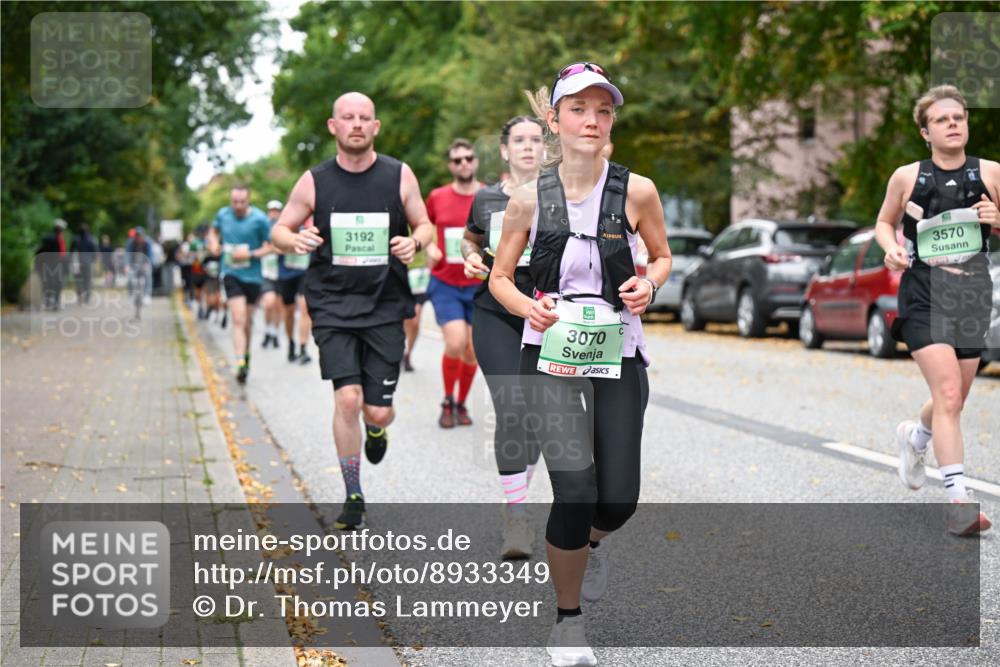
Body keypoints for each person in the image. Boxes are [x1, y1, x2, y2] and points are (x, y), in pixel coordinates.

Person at [489, 63, 671, 666]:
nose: (591, 120)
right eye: (577, 109)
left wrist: (649, 284)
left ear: (611, 121)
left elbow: (662, 258)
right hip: (549, 354)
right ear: (554, 120)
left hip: (618, 348)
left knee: (618, 499)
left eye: (602, 110)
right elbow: (500, 278)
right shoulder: (525, 199)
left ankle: (591, 543)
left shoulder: (637, 191)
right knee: (574, 487)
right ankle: (568, 623)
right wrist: (526, 309)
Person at [270, 92, 436, 530]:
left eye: (365, 118)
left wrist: (414, 242)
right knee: (347, 398)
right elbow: (280, 229)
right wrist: (294, 240)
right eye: (348, 117)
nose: (357, 124)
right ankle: (353, 494)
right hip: (332, 305)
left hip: (385, 305)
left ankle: (378, 428)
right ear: (333, 126)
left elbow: (424, 223)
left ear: (376, 127)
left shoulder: (399, 175)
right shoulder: (314, 181)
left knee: (375, 410)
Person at [875, 85, 998, 535]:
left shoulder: (992, 174)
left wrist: (996, 221)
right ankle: (958, 502)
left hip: (972, 294)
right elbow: (885, 223)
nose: (953, 123)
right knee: (948, 395)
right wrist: (891, 249)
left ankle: (916, 437)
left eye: (959, 117)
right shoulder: (907, 177)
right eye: (943, 119)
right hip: (924, 293)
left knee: (956, 398)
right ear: (926, 131)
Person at [462, 115, 546, 558]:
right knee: (511, 406)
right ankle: (517, 518)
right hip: (496, 310)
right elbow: (469, 239)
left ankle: (517, 498)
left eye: (536, 140)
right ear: (505, 150)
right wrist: (472, 257)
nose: (529, 147)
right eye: (520, 140)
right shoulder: (487, 198)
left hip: (547, 314)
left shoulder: (564, 197)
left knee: (535, 413)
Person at [426, 138, 483, 427]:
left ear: (475, 161)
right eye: (457, 159)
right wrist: (429, 249)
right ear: (451, 165)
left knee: (473, 349)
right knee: (456, 341)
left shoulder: (489, 195)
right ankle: (447, 400)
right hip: (446, 282)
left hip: (479, 284)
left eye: (468, 158)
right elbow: (424, 228)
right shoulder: (437, 196)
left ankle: (461, 403)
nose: (464, 163)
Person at [207, 186, 274, 385]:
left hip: (253, 277)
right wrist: (213, 243)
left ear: (248, 201)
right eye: (234, 201)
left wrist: (250, 254)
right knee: (238, 318)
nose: (237, 206)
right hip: (231, 273)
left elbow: (271, 246)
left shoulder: (260, 219)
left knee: (247, 322)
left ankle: (246, 354)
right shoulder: (223, 214)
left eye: (241, 202)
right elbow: (213, 231)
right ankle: (239, 362)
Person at [274, 210, 315, 364]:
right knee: (288, 311)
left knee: (305, 307)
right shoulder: (284, 225)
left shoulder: (310, 225)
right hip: (286, 274)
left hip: (305, 273)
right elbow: (274, 247)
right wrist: (291, 243)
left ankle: (303, 348)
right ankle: (291, 342)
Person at [259, 200, 285, 350]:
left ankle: (274, 333)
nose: (274, 213)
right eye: (272, 210)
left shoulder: (285, 227)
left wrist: (272, 248)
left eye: (277, 210)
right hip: (266, 271)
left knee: (278, 306)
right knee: (269, 303)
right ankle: (267, 330)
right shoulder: (263, 227)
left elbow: (286, 248)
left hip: (281, 272)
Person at [35, 218, 69, 310]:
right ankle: (56, 302)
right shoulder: (60, 239)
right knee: (57, 283)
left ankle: (47, 301)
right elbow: (63, 254)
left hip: (47, 263)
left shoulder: (47, 237)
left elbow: (40, 250)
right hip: (57, 264)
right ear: (61, 229)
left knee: (47, 282)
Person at [69, 224, 97, 304]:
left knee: (79, 280)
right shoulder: (91, 239)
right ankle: (87, 298)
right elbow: (95, 252)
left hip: (78, 263)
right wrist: (93, 261)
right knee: (87, 281)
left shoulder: (75, 239)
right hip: (88, 263)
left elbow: (71, 252)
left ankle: (80, 296)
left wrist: (71, 261)